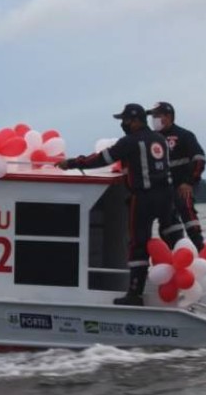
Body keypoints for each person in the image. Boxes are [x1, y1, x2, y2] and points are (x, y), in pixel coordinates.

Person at [57, 103, 183, 306]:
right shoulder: (160, 139)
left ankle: (135, 293)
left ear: (134, 121)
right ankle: (184, 284)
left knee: (138, 244)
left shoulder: (131, 141)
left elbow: (101, 159)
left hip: (143, 198)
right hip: (167, 196)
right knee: (172, 236)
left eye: (125, 120)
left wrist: (72, 163)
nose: (123, 125)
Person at [147, 102, 206, 251]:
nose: (154, 119)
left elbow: (199, 159)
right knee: (167, 220)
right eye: (152, 116)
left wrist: (189, 182)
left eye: (157, 116)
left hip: (183, 185)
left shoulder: (184, 135)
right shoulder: (152, 139)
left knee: (185, 208)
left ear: (168, 116)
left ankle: (200, 248)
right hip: (162, 188)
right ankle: (176, 250)